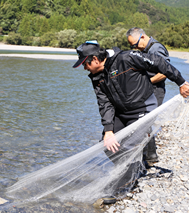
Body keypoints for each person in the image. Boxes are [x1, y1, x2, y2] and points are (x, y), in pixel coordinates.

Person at [72, 40, 189, 204]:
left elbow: (159, 62)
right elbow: (104, 103)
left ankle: (124, 186)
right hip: (121, 112)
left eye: (85, 64)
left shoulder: (127, 58)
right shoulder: (95, 76)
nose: (84, 68)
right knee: (107, 145)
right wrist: (108, 130)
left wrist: (181, 82)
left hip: (143, 107)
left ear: (95, 59)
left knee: (129, 146)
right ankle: (133, 168)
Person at [126, 27, 169, 164]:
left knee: (146, 122)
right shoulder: (147, 49)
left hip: (156, 90)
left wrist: (145, 82)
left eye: (135, 44)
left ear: (143, 37)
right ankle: (149, 156)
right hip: (149, 90)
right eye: (132, 46)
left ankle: (149, 157)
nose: (135, 47)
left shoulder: (156, 49)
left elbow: (164, 72)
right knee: (145, 122)